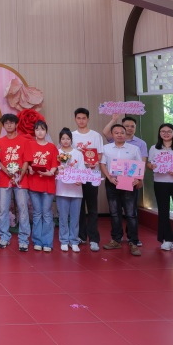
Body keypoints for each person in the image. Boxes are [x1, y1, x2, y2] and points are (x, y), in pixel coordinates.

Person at [103, 114, 149, 247]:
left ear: (125, 134)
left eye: (122, 132)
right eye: (116, 133)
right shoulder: (106, 148)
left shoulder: (134, 148)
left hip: (129, 182)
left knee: (130, 213)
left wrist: (138, 179)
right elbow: (102, 164)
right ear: (112, 135)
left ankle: (133, 240)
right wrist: (109, 178)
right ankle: (116, 239)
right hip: (112, 182)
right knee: (114, 212)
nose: (119, 135)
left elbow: (140, 165)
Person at [147, 123, 173, 253]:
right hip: (160, 182)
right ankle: (166, 239)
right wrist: (152, 166)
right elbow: (149, 163)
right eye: (163, 131)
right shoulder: (154, 148)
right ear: (159, 133)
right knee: (163, 210)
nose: (166, 133)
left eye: (169, 131)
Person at [0, 113, 31, 252]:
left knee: (23, 209)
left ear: (16, 124)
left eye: (11, 122)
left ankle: (23, 239)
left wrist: (20, 175)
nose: (9, 125)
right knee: (3, 210)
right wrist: (7, 172)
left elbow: (26, 160)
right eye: (6, 123)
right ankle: (4, 237)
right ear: (3, 125)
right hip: (4, 180)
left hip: (21, 180)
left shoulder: (24, 141)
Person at [72, 108, 104, 252]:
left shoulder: (96, 136)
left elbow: (100, 154)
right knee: (78, 207)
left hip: (92, 175)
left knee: (92, 208)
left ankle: (94, 239)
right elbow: (68, 155)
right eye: (78, 118)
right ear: (75, 119)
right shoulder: (72, 135)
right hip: (77, 176)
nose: (81, 121)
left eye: (83, 118)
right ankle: (81, 236)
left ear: (88, 119)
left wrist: (94, 162)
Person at [25, 120, 58, 252]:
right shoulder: (30, 145)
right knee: (37, 213)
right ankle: (37, 241)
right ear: (34, 131)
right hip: (34, 183)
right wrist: (29, 169)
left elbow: (55, 164)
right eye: (37, 129)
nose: (40, 132)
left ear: (46, 131)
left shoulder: (52, 147)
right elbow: (27, 162)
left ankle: (47, 242)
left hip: (48, 184)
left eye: (42, 129)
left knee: (47, 213)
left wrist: (51, 172)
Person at [55, 128, 84, 252]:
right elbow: (54, 170)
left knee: (75, 217)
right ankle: (64, 240)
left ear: (71, 140)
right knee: (62, 217)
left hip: (76, 190)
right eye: (63, 138)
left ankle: (74, 240)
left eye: (68, 138)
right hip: (61, 190)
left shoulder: (78, 153)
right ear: (60, 140)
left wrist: (80, 180)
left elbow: (82, 170)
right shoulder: (57, 152)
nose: (65, 141)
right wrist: (59, 170)